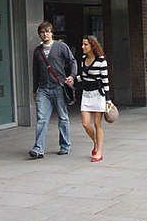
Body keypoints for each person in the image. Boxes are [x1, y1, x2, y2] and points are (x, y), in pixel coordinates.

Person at [29, 21, 77, 159]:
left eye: (48, 32)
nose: (45, 34)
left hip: (59, 86)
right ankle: (38, 148)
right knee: (41, 119)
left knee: (63, 117)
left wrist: (71, 76)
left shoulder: (61, 46)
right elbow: (35, 71)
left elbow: (72, 61)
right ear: (39, 34)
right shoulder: (37, 51)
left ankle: (65, 146)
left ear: (52, 33)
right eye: (43, 32)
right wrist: (34, 89)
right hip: (43, 89)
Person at [77, 35, 111, 162]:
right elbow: (83, 76)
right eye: (82, 44)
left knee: (97, 124)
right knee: (85, 124)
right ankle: (96, 142)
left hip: (98, 94)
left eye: (85, 44)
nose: (83, 47)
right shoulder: (83, 59)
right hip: (86, 94)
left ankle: (99, 151)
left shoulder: (101, 60)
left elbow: (105, 80)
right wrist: (73, 80)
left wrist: (108, 100)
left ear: (92, 46)